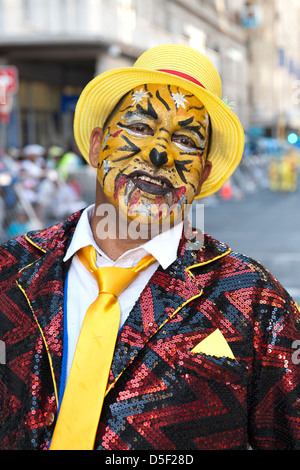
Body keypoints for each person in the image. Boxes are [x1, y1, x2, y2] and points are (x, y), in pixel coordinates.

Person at [0, 44, 299, 451]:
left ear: (204, 174)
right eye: (140, 127)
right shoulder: (9, 271)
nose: (159, 153)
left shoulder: (257, 303)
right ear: (95, 145)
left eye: (186, 141)